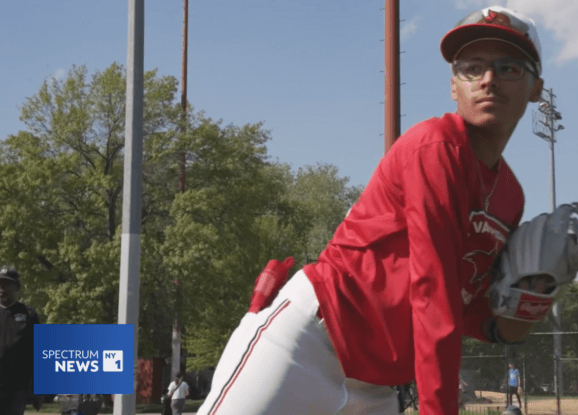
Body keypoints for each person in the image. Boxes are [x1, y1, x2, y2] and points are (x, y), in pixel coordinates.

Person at [197, 5, 545, 415]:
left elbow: (465, 306)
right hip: (306, 347)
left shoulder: (510, 196)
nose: (488, 79)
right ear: (454, 86)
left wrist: (529, 304)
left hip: (379, 385)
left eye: (508, 68)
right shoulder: (435, 147)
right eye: (472, 67)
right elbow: (434, 294)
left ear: (536, 88)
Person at [0, 265, 41, 415]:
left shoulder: (28, 315)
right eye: (0, 284)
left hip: (16, 390)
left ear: (16, 287)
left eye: (7, 284)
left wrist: (38, 392)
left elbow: (38, 354)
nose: (2, 288)